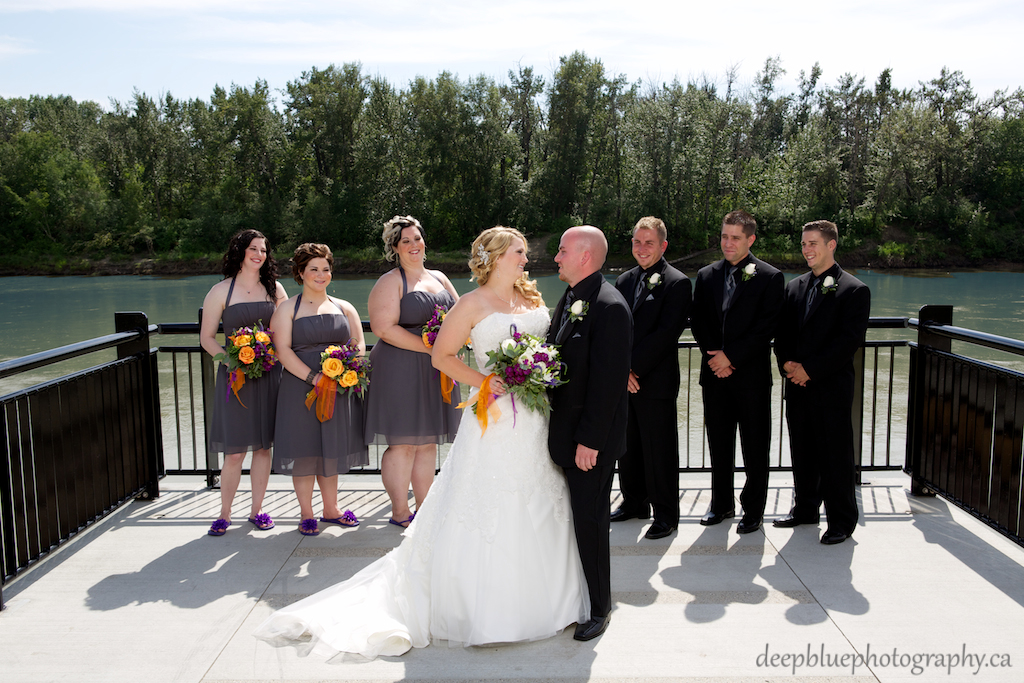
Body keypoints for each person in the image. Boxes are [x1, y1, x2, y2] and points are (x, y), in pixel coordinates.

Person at [253, 227, 588, 658]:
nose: (528, 258)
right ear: (499, 256)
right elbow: (442, 356)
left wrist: (539, 370)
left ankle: (552, 598)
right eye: (520, 252)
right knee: (489, 500)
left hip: (537, 417)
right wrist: (487, 380)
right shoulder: (470, 303)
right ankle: (483, 603)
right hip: (494, 417)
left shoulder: (535, 299)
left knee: (541, 497)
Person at [547, 226, 632, 641]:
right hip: (566, 433)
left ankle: (600, 607)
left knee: (591, 523)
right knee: (577, 521)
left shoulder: (610, 306)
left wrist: (591, 442)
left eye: (562, 251)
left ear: (584, 256)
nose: (556, 258)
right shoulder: (570, 297)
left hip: (589, 442)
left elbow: (609, 384)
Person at [773, 220, 870, 545]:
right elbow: (782, 333)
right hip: (797, 389)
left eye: (813, 243)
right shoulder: (795, 287)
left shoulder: (854, 290)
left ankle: (842, 520)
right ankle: (805, 509)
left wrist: (810, 370)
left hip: (830, 389)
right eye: (803, 244)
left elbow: (847, 343)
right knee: (802, 453)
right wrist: (787, 365)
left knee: (835, 457)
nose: (806, 249)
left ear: (831, 245)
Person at [689, 210, 784, 534]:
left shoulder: (770, 277)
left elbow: (766, 328)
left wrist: (731, 357)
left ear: (750, 239)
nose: (728, 243)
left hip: (751, 378)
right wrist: (714, 356)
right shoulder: (706, 275)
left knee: (755, 446)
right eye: (724, 236)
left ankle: (753, 510)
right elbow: (699, 321)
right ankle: (721, 504)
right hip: (714, 375)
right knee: (719, 443)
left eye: (735, 238)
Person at [364, 215, 461, 527]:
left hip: (436, 370)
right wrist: (433, 349)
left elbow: (461, 315)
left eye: (416, 238)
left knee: (428, 442)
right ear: (395, 247)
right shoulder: (391, 281)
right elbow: (383, 328)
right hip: (400, 369)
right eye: (405, 241)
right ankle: (399, 512)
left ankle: (425, 511)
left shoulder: (440, 277)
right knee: (403, 443)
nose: (413, 245)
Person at [270, 243, 368, 536]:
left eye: (325, 269)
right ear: (300, 273)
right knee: (304, 450)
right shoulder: (287, 308)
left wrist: (350, 368)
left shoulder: (344, 307)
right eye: (313, 269)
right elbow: (283, 351)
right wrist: (314, 377)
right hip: (300, 389)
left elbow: (358, 343)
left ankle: (331, 509)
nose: (320, 274)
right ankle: (306, 513)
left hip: (337, 389)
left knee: (330, 449)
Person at [200, 229, 287, 536]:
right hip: (234, 378)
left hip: (268, 375)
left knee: (263, 448)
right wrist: (231, 360)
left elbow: (284, 332)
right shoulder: (220, 291)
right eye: (253, 248)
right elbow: (206, 337)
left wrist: (271, 354)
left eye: (263, 250)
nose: (259, 254)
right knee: (235, 451)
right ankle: (224, 514)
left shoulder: (275, 290)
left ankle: (257, 510)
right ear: (240, 251)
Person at [612, 217, 692, 540]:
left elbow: (665, 334)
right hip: (624, 381)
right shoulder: (623, 281)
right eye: (636, 242)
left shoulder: (677, 283)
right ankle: (634, 502)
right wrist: (621, 371)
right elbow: (615, 331)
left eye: (649, 242)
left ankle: (666, 514)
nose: (642, 248)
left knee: (659, 449)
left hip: (654, 380)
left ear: (663, 246)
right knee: (627, 447)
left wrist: (633, 369)